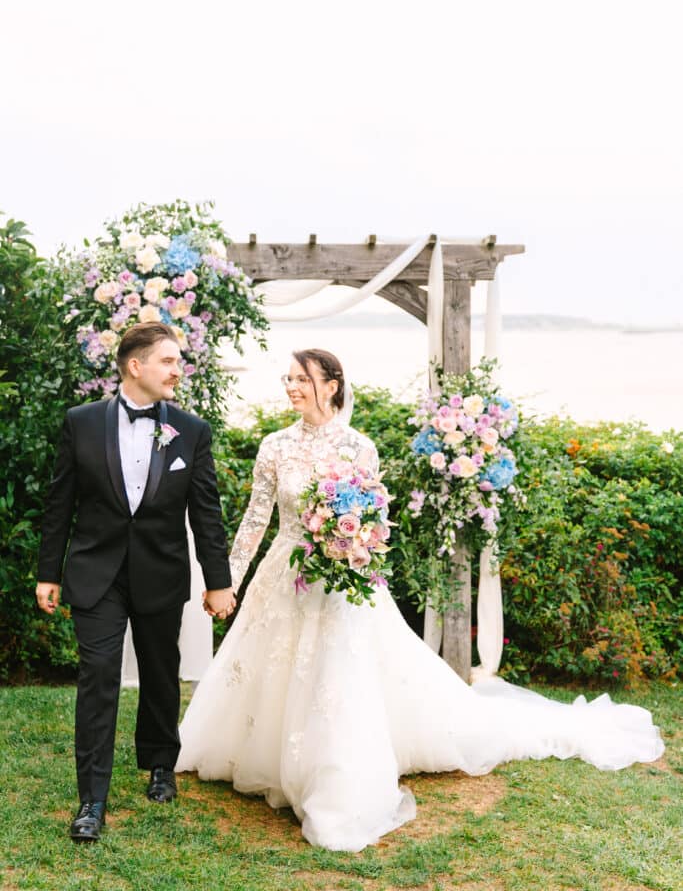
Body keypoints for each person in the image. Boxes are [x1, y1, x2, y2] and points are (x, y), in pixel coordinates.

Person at [175, 348, 664, 853]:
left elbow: (374, 518)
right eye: (290, 378)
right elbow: (256, 519)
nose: (292, 386)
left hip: (342, 578)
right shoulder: (274, 446)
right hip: (284, 573)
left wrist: (353, 544)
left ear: (333, 384)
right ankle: (259, 754)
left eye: (303, 378)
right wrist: (227, 580)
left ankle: (332, 769)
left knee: (336, 675)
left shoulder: (358, 447)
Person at [36, 322, 235, 842]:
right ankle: (91, 800)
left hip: (160, 571)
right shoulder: (80, 423)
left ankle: (160, 764)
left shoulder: (191, 431)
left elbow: (206, 515)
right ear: (135, 366)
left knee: (160, 671)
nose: (177, 371)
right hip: (95, 573)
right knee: (97, 678)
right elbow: (61, 503)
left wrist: (218, 581)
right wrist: (47, 572)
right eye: (169, 361)